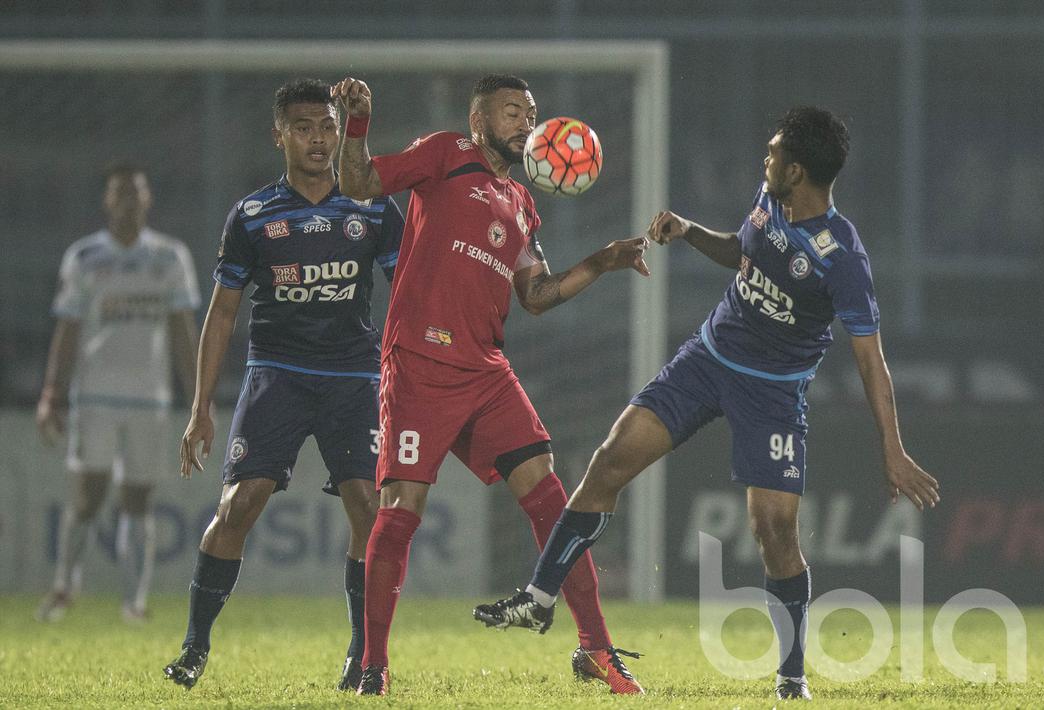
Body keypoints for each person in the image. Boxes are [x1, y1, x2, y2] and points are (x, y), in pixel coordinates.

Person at [473, 107, 942, 701]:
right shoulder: (771, 200)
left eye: (773, 154)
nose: (763, 159)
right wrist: (691, 232)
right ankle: (539, 598)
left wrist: (893, 449)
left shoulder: (842, 258)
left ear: (797, 171)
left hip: (773, 393)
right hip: (707, 359)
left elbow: (871, 361)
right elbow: (742, 251)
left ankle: (791, 676)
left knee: (773, 528)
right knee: (610, 459)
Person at [331, 73, 650, 696]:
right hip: (420, 363)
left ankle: (597, 650)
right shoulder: (446, 154)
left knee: (555, 499)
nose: (525, 122)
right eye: (511, 112)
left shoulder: (522, 203)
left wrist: (602, 262)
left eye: (530, 111)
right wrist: (358, 125)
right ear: (480, 122)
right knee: (401, 513)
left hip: (486, 371)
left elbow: (535, 295)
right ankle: (373, 665)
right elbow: (359, 183)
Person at [161, 78, 405, 692]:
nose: (319, 138)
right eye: (304, 128)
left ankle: (362, 656)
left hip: (354, 375)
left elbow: (409, 295)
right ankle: (194, 647)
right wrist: (200, 411)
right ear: (280, 136)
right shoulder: (253, 215)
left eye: (327, 125)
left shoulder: (373, 207)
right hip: (278, 376)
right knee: (238, 506)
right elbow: (220, 315)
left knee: (369, 510)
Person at [35, 163, 200, 624]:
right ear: (108, 201)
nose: (128, 201)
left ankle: (134, 601)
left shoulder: (169, 257)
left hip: (150, 397)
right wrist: (53, 391)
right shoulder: (85, 257)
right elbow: (66, 329)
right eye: (120, 193)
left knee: (139, 499)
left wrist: (197, 396)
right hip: (96, 397)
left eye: (136, 193)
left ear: (148, 200)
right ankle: (66, 586)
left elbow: (182, 331)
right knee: (88, 494)